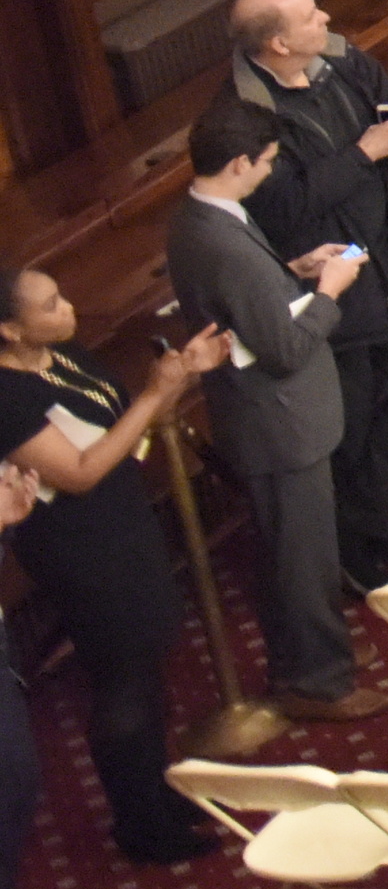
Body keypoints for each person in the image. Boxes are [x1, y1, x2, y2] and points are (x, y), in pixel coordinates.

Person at [219, 0, 388, 579]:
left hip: (381, 259)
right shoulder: (245, 115)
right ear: (278, 42)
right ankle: (351, 550)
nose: (325, 17)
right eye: (310, 15)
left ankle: (375, 521)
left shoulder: (337, 56)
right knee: (347, 422)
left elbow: (387, 104)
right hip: (322, 275)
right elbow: (286, 208)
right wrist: (366, 151)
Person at [0, 269, 229, 856]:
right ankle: (139, 825)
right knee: (122, 679)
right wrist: (155, 392)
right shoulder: (6, 397)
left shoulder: (60, 354)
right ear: (9, 330)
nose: (69, 308)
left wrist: (181, 375)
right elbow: (78, 473)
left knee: (148, 665)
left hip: (123, 527)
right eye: (50, 305)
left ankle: (156, 790)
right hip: (81, 551)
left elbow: (126, 423)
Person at [166, 99, 377, 720]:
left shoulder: (200, 216)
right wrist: (327, 291)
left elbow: (244, 303)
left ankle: (311, 654)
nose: (271, 169)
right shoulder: (221, 240)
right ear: (239, 162)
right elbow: (284, 349)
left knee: (299, 551)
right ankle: (318, 680)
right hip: (279, 419)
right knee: (300, 559)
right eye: (267, 161)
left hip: (268, 416)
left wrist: (291, 272)